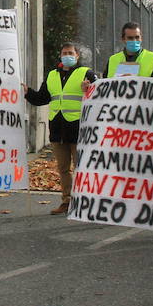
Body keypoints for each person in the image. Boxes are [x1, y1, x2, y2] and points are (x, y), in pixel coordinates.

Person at [24, 42, 98, 215]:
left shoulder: (86, 73)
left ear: (77, 55)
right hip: (58, 130)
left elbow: (101, 96)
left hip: (79, 129)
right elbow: (42, 98)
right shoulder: (51, 75)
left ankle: (84, 202)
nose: (67, 55)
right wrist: (28, 93)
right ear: (60, 55)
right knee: (63, 169)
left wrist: (89, 90)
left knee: (82, 168)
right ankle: (67, 201)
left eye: (70, 53)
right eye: (64, 52)